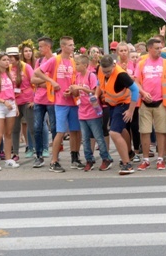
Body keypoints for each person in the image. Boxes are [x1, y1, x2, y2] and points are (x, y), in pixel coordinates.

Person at [33, 36, 83, 172]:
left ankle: (75, 158)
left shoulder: (73, 62)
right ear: (63, 47)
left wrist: (73, 89)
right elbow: (37, 72)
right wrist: (51, 81)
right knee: (60, 132)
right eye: (70, 45)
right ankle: (54, 161)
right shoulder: (55, 60)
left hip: (72, 100)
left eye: (73, 45)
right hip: (60, 102)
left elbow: (75, 79)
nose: (73, 47)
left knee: (75, 131)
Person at [134, 36, 166, 171]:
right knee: (144, 131)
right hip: (145, 102)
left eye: (160, 48)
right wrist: (143, 93)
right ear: (149, 49)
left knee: (161, 131)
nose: (159, 50)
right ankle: (145, 160)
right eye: (157, 48)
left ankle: (160, 159)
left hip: (162, 102)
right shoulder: (141, 63)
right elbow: (136, 82)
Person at [69, 54, 112, 171]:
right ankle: (89, 159)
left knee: (98, 136)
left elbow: (94, 91)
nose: (76, 66)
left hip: (93, 111)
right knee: (85, 138)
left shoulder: (91, 76)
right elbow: (76, 94)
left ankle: (106, 158)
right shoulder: (77, 76)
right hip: (82, 111)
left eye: (77, 64)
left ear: (85, 65)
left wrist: (81, 88)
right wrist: (72, 91)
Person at [97, 55, 139, 175]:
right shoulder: (101, 70)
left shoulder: (121, 75)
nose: (106, 74)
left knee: (114, 133)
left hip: (123, 104)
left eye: (109, 71)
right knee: (121, 130)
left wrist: (131, 110)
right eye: (104, 71)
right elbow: (99, 83)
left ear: (114, 65)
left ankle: (127, 164)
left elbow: (135, 90)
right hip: (112, 105)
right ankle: (129, 153)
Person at [0, 53, 21, 171]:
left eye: (8, 60)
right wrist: (3, 101)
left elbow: (12, 92)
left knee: (8, 133)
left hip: (10, 105)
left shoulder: (9, 75)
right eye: (4, 60)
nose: (7, 62)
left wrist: (15, 105)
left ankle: (8, 159)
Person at [31, 37, 57, 168]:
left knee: (54, 127)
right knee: (37, 127)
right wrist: (47, 82)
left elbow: (56, 80)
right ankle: (39, 155)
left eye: (41, 46)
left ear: (48, 47)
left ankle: (55, 155)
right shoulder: (39, 61)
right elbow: (33, 80)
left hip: (52, 99)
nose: (39, 49)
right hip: (39, 99)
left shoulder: (55, 60)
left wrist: (43, 82)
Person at [7, 47, 35, 163]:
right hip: (14, 102)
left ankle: (37, 151)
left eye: (10, 58)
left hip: (27, 101)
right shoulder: (7, 68)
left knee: (32, 127)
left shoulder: (26, 67)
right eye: (7, 58)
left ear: (16, 57)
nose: (9, 60)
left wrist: (34, 100)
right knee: (14, 129)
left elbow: (34, 82)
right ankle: (15, 153)